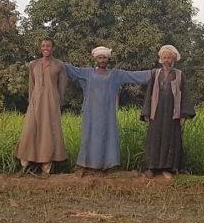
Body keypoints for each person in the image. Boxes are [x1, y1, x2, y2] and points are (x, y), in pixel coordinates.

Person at [65, 46, 151, 176]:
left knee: (108, 137)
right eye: (100, 58)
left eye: (104, 57)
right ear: (96, 59)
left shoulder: (115, 75)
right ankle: (86, 165)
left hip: (108, 113)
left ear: (108, 59)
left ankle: (107, 166)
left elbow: (134, 76)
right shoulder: (87, 73)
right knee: (89, 137)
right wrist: (56, 62)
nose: (102, 60)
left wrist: (154, 73)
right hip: (91, 113)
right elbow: (70, 70)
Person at [15, 38, 68, 178]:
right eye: (43, 46)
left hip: (51, 104)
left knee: (48, 133)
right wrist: (31, 102)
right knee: (29, 131)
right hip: (35, 103)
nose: (45, 48)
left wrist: (56, 101)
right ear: (40, 48)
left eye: (48, 46)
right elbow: (31, 86)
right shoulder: (33, 64)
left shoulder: (59, 65)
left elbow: (62, 88)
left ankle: (46, 169)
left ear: (53, 48)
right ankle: (24, 166)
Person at [141, 45, 195, 179]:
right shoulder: (155, 73)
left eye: (169, 57)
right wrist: (147, 112)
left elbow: (185, 95)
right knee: (154, 138)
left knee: (171, 139)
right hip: (157, 112)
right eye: (164, 57)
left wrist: (183, 115)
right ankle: (151, 168)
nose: (166, 60)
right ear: (160, 59)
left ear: (174, 59)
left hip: (172, 113)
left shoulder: (180, 75)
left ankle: (168, 168)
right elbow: (149, 94)